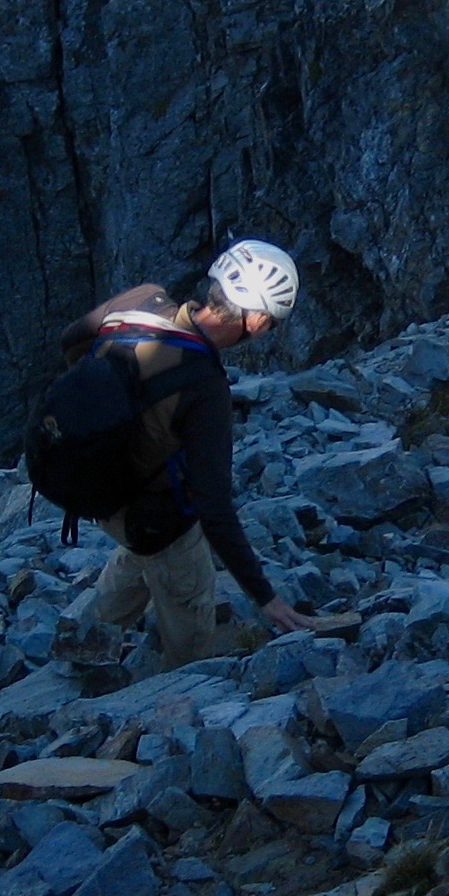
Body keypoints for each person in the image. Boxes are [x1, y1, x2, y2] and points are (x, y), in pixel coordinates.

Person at [56, 239, 321, 666]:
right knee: (185, 593)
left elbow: (70, 341)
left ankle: (78, 650)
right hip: (153, 518)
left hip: (95, 489)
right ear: (254, 319)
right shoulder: (205, 388)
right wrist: (264, 596)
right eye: (271, 322)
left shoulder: (141, 301)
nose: (266, 329)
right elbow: (212, 504)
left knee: (140, 550)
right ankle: (175, 701)